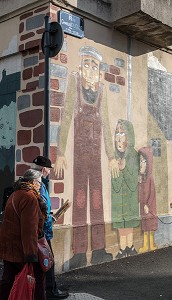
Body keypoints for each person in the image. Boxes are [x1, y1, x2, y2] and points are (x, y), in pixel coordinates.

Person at [54, 46, 119, 269]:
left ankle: (99, 249)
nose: (91, 69)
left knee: (98, 199)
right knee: (80, 199)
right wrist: (60, 152)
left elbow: (107, 123)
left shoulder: (101, 91)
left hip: (96, 155)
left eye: (95, 66)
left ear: (99, 71)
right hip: (79, 155)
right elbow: (65, 117)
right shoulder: (75, 85)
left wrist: (111, 156)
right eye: (87, 64)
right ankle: (80, 252)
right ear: (80, 67)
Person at [0, 169, 47, 300]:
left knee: (8, 280)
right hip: (22, 249)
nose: (40, 185)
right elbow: (29, 229)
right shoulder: (30, 197)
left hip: (10, 247)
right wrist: (31, 256)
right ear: (33, 182)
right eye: (40, 182)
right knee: (36, 280)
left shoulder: (15, 194)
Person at [32, 155, 69, 299]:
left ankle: (44, 290)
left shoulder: (37, 183)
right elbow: (39, 209)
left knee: (43, 262)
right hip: (42, 232)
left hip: (40, 230)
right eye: (48, 169)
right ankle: (50, 291)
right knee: (48, 262)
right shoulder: (38, 185)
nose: (49, 171)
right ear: (43, 169)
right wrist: (48, 218)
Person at [111, 120, 140, 258]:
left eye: (122, 133)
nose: (119, 137)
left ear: (129, 136)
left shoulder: (134, 155)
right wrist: (117, 170)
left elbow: (134, 181)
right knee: (121, 224)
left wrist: (124, 169)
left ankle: (130, 246)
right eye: (117, 133)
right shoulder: (114, 156)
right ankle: (123, 248)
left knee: (128, 222)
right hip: (118, 198)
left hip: (130, 197)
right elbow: (114, 182)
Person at [138, 147, 158, 253]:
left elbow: (152, 193)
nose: (142, 164)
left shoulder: (150, 178)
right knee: (145, 226)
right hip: (143, 207)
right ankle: (146, 245)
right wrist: (139, 183)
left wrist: (148, 204)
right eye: (140, 161)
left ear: (148, 162)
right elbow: (139, 195)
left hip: (150, 207)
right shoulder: (141, 178)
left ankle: (152, 244)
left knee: (150, 226)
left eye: (144, 161)